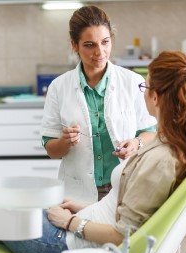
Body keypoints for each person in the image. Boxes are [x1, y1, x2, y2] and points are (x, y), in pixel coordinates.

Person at [3, 51, 186, 253]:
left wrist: (69, 222)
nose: (143, 92)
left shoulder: (162, 160)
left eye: (145, 87)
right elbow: (126, 212)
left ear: (156, 96)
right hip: (81, 223)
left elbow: (123, 236)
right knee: (8, 200)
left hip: (70, 242)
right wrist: (82, 209)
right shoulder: (168, 143)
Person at [41, 6, 156, 202]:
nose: (99, 52)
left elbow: (151, 132)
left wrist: (137, 143)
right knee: (80, 232)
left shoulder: (132, 81)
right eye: (89, 45)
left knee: (120, 233)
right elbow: (51, 149)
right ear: (74, 45)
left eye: (105, 42)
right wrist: (64, 142)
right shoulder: (59, 87)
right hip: (78, 192)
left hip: (124, 188)